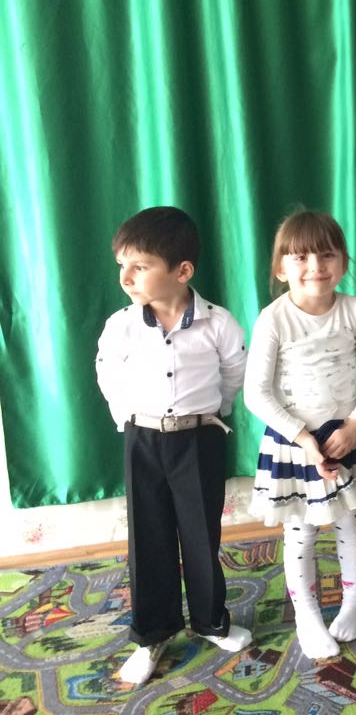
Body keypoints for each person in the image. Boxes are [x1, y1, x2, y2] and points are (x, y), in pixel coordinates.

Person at [95, 207, 251, 685]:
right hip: (142, 439)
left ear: (182, 271)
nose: (126, 277)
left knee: (202, 534)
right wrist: (126, 419)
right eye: (121, 264)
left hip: (199, 438)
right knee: (148, 537)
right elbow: (108, 373)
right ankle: (152, 634)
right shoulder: (121, 325)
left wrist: (213, 414)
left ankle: (210, 620)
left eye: (139, 266)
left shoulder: (219, 324)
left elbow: (233, 374)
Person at [243, 210, 356, 659]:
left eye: (327, 255)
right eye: (301, 258)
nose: (315, 267)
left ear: (343, 261)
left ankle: (353, 600)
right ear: (280, 268)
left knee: (350, 522)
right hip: (296, 443)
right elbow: (255, 393)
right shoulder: (273, 318)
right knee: (302, 532)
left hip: (346, 435)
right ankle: (306, 615)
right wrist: (304, 440)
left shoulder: (354, 308)